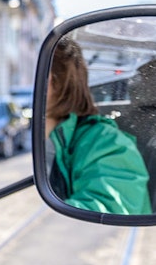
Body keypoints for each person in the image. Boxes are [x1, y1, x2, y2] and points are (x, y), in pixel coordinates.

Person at [45, 38, 151, 215]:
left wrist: (45, 216)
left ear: (59, 81)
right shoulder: (51, 138)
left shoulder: (110, 143)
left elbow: (109, 208)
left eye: (39, 74)